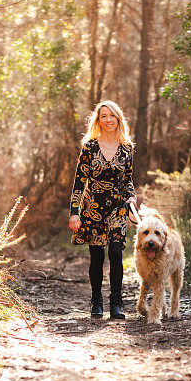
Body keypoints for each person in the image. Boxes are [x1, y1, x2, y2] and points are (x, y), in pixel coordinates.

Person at [68, 101, 136, 319]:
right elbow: (79, 182)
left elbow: (128, 180)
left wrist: (132, 196)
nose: (108, 120)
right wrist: (74, 212)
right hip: (92, 208)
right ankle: (96, 301)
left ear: (118, 119)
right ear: (98, 120)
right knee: (96, 257)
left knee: (116, 253)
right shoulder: (89, 147)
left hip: (117, 208)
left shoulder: (127, 148)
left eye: (112, 116)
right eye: (103, 116)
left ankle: (116, 304)